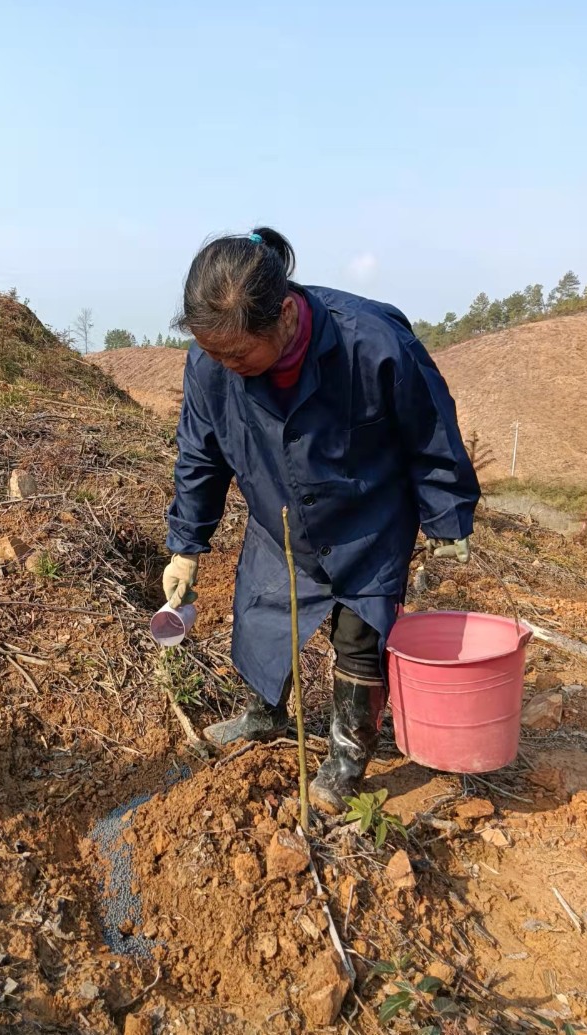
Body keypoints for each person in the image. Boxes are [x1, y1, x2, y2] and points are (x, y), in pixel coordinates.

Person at [162, 228, 480, 813]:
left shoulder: (374, 344)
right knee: (261, 616)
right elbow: (200, 454)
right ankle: (263, 715)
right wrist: (187, 542)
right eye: (214, 354)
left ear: (284, 314)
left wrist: (447, 516)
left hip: (369, 521)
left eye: (237, 354)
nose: (227, 367)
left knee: (360, 638)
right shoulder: (210, 367)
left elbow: (431, 432)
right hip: (277, 516)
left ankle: (345, 758)